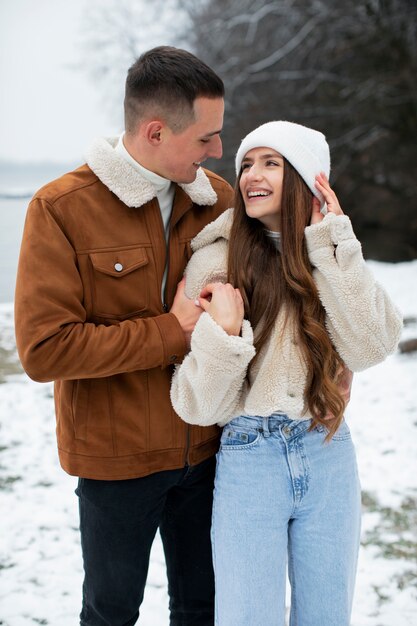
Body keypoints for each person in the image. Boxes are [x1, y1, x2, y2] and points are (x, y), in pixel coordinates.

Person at [14, 46, 234, 626]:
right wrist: (172, 330)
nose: (218, 151)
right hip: (116, 462)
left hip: (210, 452)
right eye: (207, 138)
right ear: (156, 130)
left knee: (205, 608)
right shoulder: (60, 208)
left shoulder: (219, 202)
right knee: (111, 613)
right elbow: (43, 350)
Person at [171, 120, 403, 626]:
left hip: (327, 452)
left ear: (306, 177)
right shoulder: (216, 261)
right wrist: (226, 335)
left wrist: (333, 243)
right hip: (249, 458)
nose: (252, 174)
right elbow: (200, 405)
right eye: (247, 164)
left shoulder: (328, 254)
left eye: (271, 163)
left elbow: (372, 346)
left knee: (326, 616)